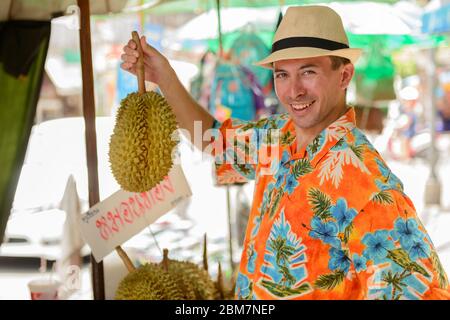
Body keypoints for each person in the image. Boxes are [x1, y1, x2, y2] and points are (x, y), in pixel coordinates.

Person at [120, 6, 450, 300]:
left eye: (308, 71)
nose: (293, 91)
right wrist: (162, 76)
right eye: (282, 74)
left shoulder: (369, 186)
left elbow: (420, 291)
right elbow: (211, 141)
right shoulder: (277, 138)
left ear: (345, 74)